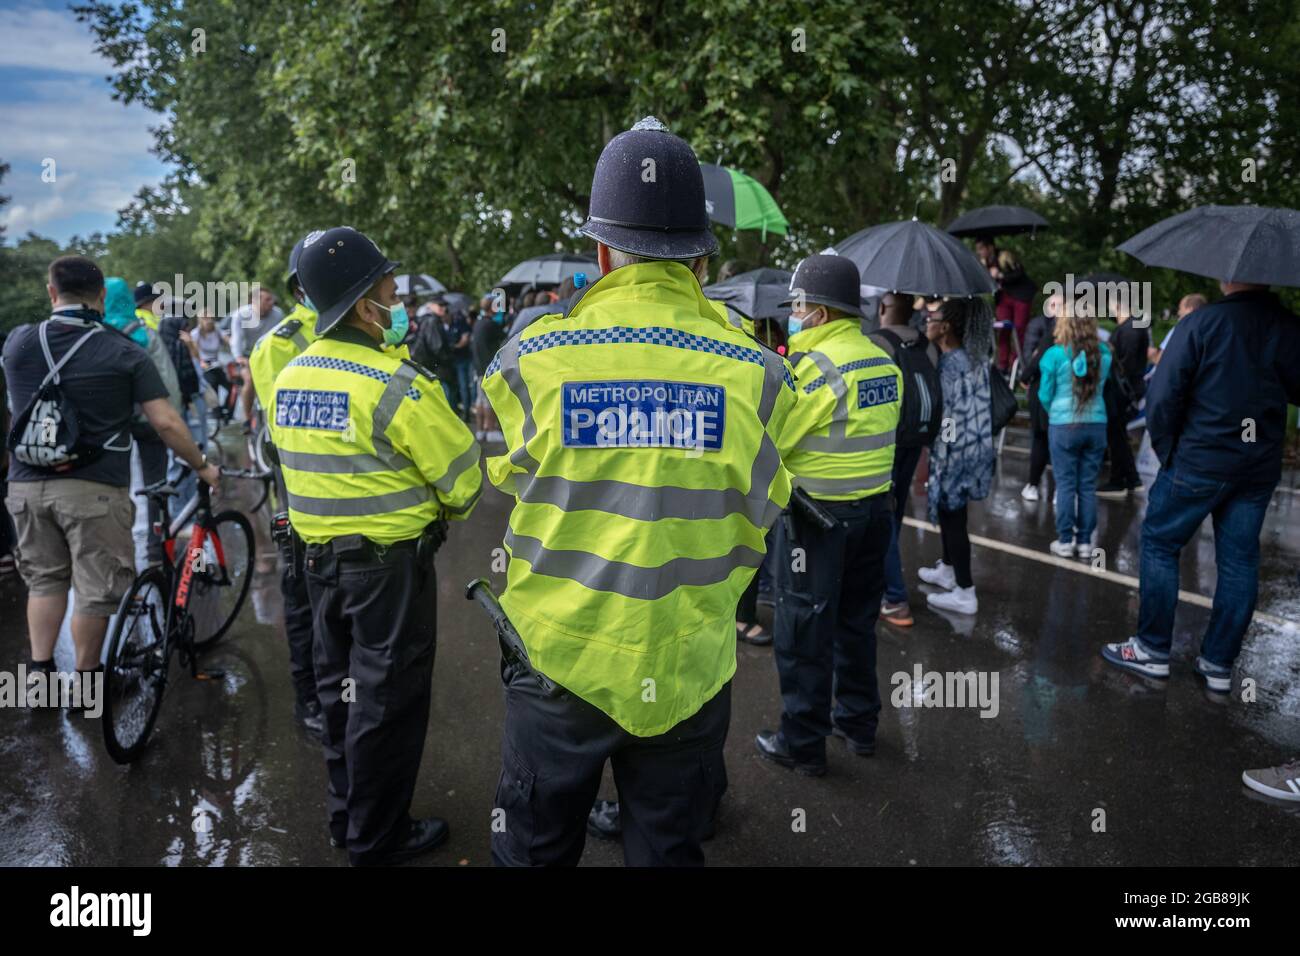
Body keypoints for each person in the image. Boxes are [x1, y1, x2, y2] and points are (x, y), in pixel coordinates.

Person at [481, 117, 794, 866]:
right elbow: (763, 512)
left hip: (559, 660)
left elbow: (516, 484)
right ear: (699, 254)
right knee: (667, 849)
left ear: (600, 251)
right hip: (687, 665)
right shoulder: (760, 372)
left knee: (534, 850)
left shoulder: (530, 359)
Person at [270, 227, 481, 866]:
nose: (397, 309)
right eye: (390, 295)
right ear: (365, 307)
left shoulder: (290, 377)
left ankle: (346, 819)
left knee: (339, 696)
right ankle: (378, 838)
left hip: (317, 566)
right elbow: (466, 481)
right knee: (387, 705)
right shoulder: (398, 385)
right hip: (388, 576)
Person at [4, 256, 219, 703]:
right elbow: (165, 422)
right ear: (102, 296)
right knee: (95, 590)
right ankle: (88, 687)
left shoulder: (19, 342)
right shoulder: (123, 350)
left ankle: (39, 682)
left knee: (44, 581)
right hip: (95, 488)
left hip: (25, 484)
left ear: (50, 292)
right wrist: (200, 464)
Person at [1102, 279, 1300, 692]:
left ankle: (1152, 649)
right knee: (1240, 561)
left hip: (1200, 458)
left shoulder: (1203, 322)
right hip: (1257, 464)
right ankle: (1218, 663)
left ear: (1229, 277)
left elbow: (1164, 393)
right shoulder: (1288, 327)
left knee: (1158, 541)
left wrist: (1169, 448)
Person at [754, 254, 901, 774]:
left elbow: (769, 445)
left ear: (818, 311)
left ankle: (801, 745)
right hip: (876, 516)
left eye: (798, 305)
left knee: (802, 632)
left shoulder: (812, 371)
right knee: (856, 625)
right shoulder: (884, 359)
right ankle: (858, 725)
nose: (794, 314)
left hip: (817, 523)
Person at [248, 234, 323, 737]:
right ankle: (310, 701)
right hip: (302, 498)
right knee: (302, 599)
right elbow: (292, 434)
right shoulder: (279, 345)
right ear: (301, 288)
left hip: (360, 503)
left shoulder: (373, 331)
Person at [917, 297, 995, 615]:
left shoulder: (950, 365)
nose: (926, 321)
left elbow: (946, 416)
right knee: (954, 515)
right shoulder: (974, 357)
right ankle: (948, 568)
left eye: (932, 317)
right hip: (976, 449)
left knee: (953, 519)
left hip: (956, 454)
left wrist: (940, 451)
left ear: (945, 327)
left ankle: (965, 591)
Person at [869, 291, 940, 628]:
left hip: (886, 441)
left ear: (882, 308)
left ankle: (895, 598)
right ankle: (886, 583)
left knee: (881, 514)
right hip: (916, 438)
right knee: (894, 512)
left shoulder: (876, 343)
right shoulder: (927, 345)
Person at [1038, 299, 1112, 558]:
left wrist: (1055, 414)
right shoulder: (1104, 354)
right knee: (1087, 485)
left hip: (1063, 424)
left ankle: (1065, 540)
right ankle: (1085, 541)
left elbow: (1045, 395)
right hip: (1097, 424)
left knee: (1066, 484)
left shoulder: (1054, 354)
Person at [1097, 291, 1148, 497]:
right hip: (1127, 389)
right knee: (1117, 435)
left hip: (1122, 392)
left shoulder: (1129, 330)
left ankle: (1120, 480)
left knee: (1116, 435)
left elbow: (1124, 365)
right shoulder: (1133, 326)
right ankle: (1130, 479)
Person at [1019, 290, 1061, 501]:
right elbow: (1030, 355)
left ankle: (1035, 485)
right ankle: (1059, 490)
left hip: (1045, 390)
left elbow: (1035, 359)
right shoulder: (1081, 333)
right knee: (1054, 440)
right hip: (1062, 394)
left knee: (1042, 439)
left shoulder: (1053, 333)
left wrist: (1025, 377)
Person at [469, 293, 507, 442]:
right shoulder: (490, 325)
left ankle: (480, 430)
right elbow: (505, 337)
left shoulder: (478, 324)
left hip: (478, 368)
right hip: (488, 368)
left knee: (480, 400)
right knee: (489, 400)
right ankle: (490, 430)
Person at [992, 249, 1034, 374]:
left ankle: (1017, 363)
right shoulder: (984, 262)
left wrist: (1000, 275)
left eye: (981, 249)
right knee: (1003, 329)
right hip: (1004, 297)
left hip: (1020, 296)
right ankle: (1002, 363)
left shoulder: (1004, 256)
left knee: (1019, 329)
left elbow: (1018, 274)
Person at [1148, 293, 1206, 365]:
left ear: (1189, 310)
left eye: (1180, 308)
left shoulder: (1179, 330)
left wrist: (1149, 353)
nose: (1179, 312)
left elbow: (1161, 360)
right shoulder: (1206, 332)